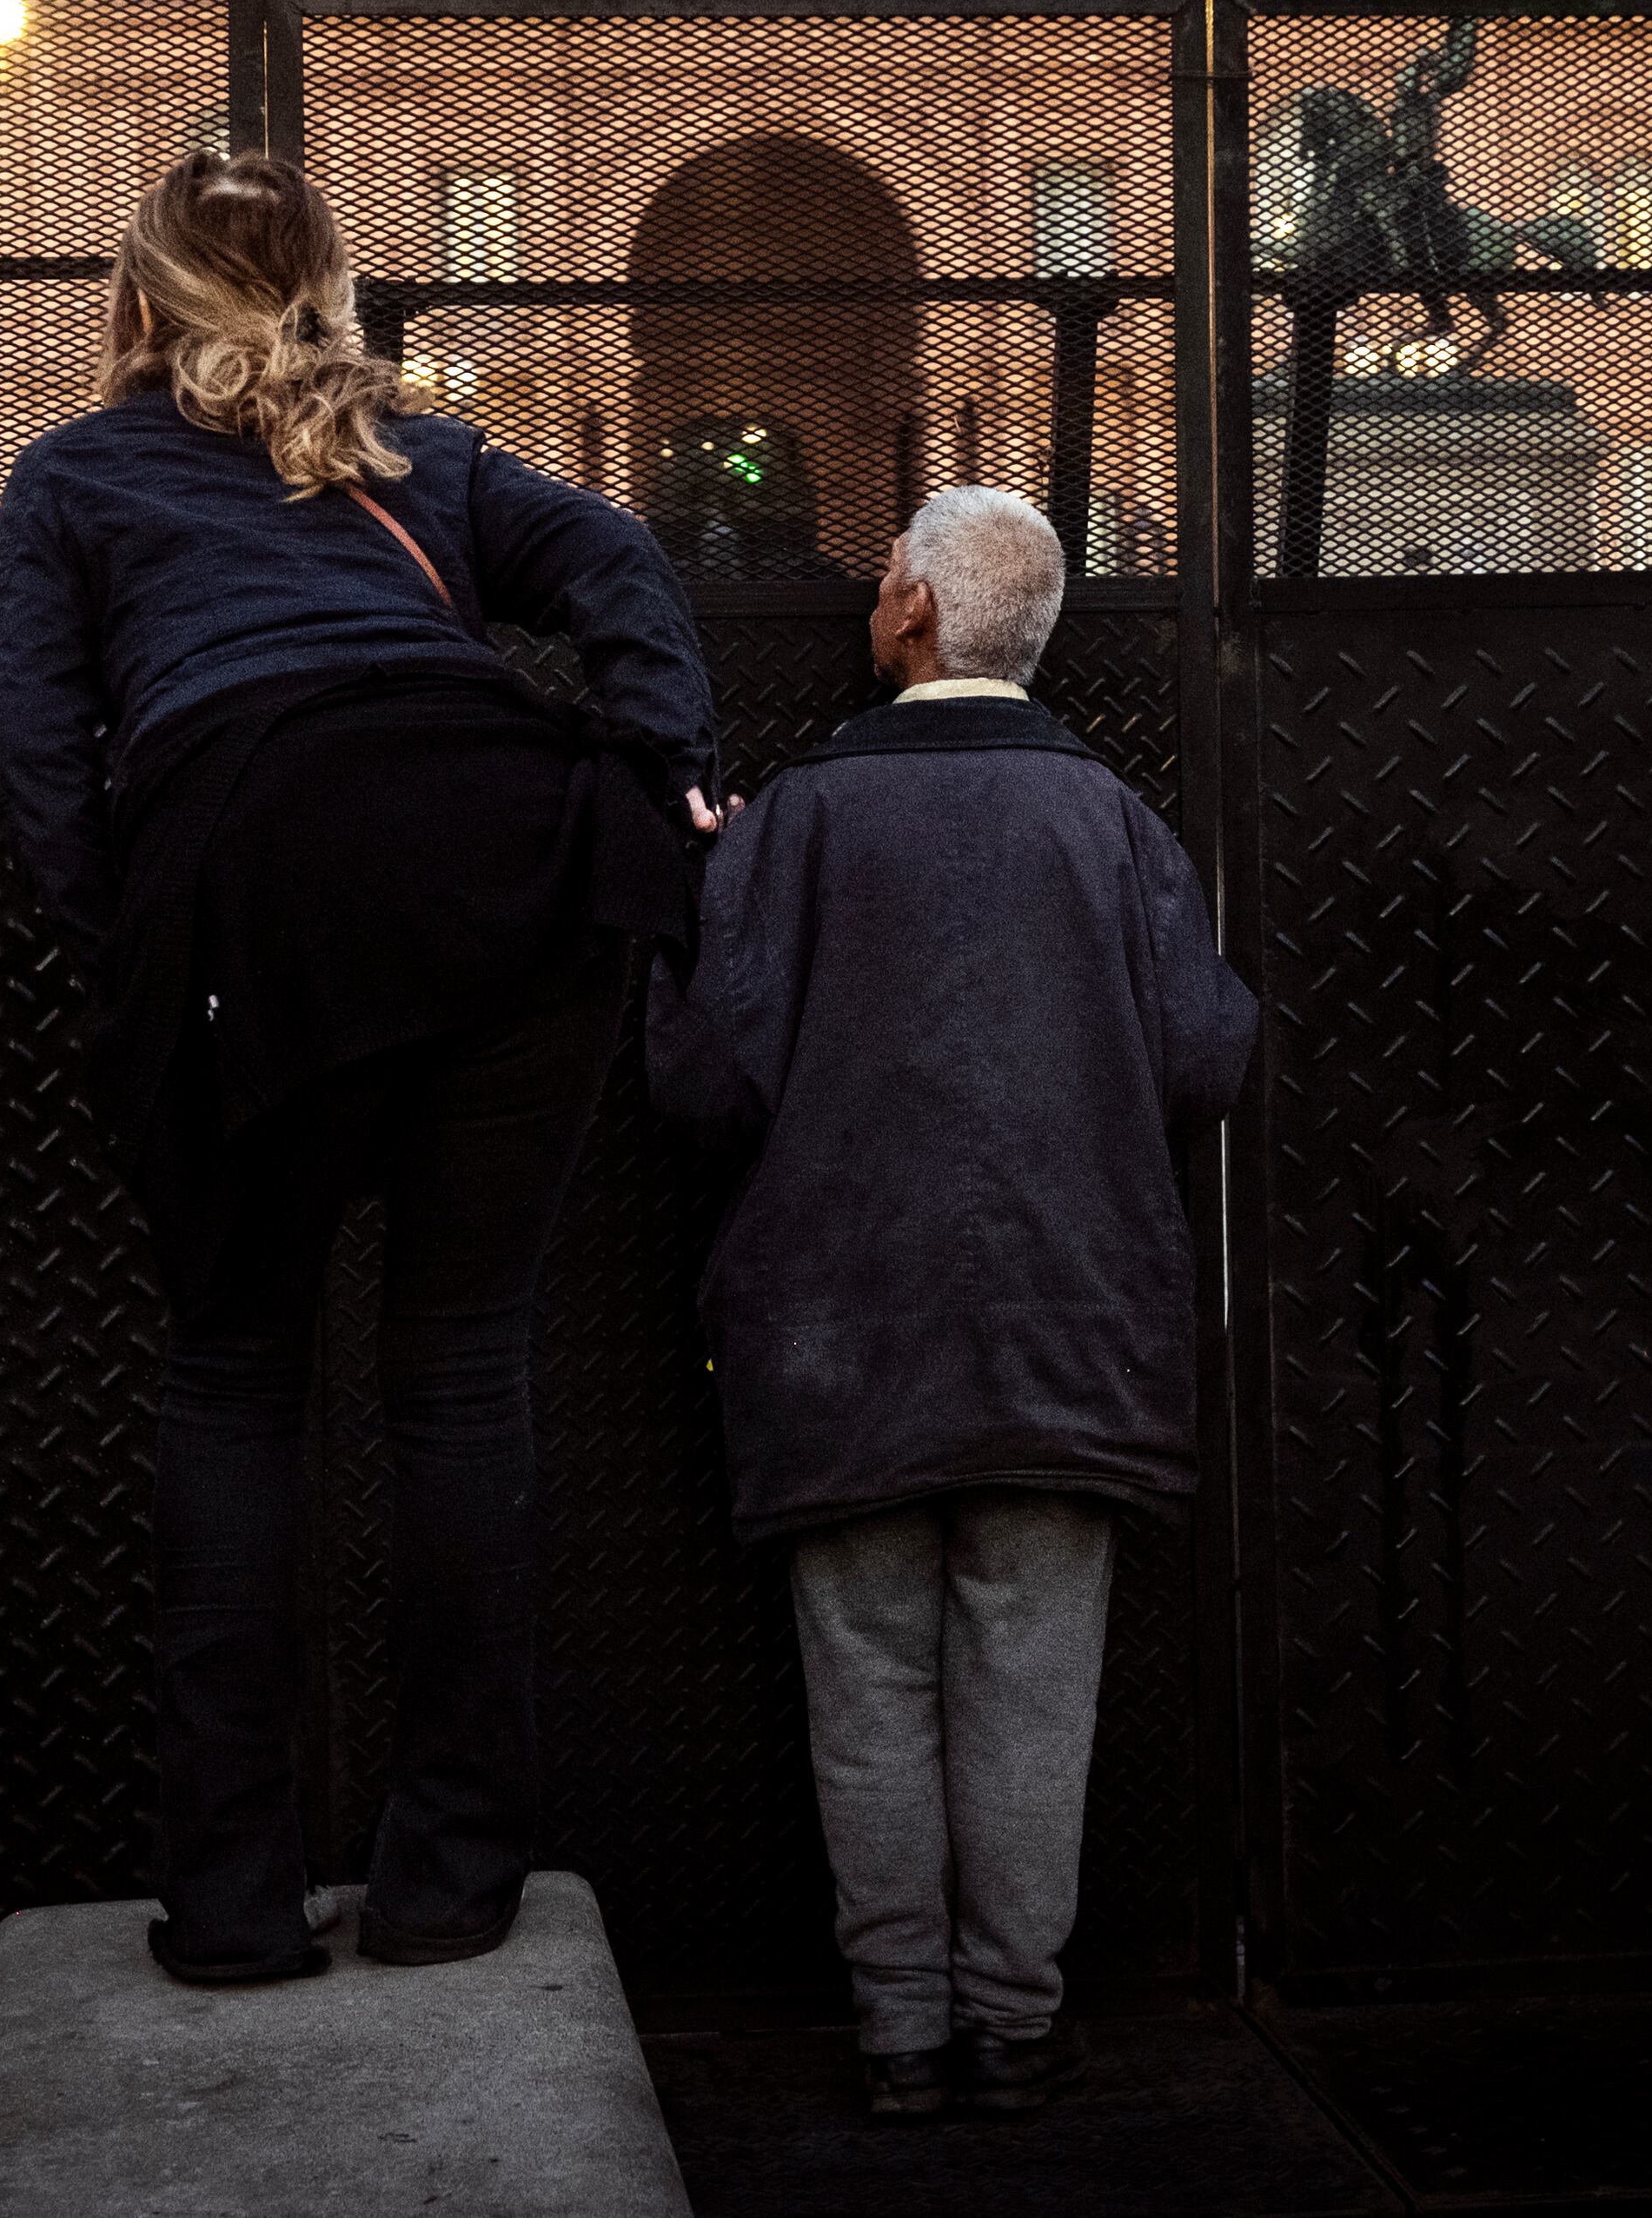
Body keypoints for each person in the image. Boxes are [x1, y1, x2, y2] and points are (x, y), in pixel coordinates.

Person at [0, 152, 720, 1984]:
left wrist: (139, 931)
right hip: (501, 855)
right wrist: (655, 766)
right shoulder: (427, 457)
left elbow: (33, 748)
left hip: (255, 883)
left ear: (138, 306)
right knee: (460, 1372)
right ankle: (447, 1876)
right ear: (330, 290)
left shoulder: (72, 475)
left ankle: (230, 1901)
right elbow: (618, 560)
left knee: (237, 1377)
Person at [647, 486, 1255, 2118]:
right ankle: (1015, 2018)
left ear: (914, 612)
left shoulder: (798, 822)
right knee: (1032, 1681)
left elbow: (705, 1089)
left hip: (838, 1334)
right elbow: (1205, 1057)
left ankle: (900, 2031)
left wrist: (690, 915)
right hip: (1074, 1331)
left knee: (866, 1684)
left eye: (881, 577)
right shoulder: (1117, 822)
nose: (867, 597)